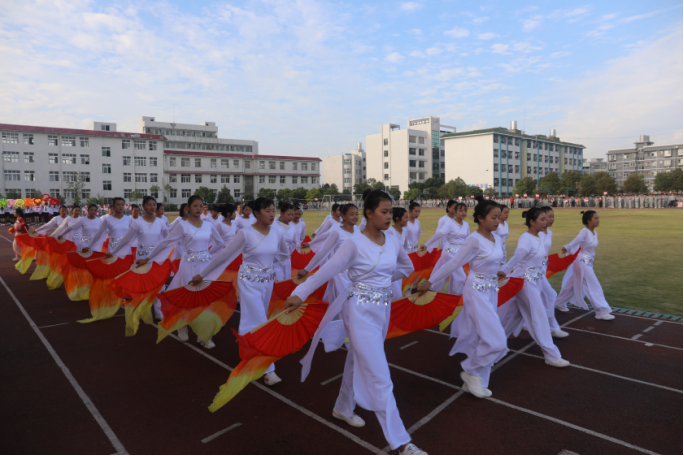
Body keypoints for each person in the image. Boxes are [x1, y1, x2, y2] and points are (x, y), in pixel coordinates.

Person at [284, 190, 426, 456]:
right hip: (358, 310)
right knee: (380, 376)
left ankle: (343, 406)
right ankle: (402, 443)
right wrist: (299, 293)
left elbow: (406, 268)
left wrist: (381, 279)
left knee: (355, 359)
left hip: (382, 310)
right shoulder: (354, 243)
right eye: (383, 211)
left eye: (390, 211)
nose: (389, 216)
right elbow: (327, 271)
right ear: (369, 213)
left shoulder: (392, 241)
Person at [190, 197, 291, 385]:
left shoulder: (277, 233)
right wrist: (202, 274)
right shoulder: (245, 233)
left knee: (254, 318)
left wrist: (268, 266)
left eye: (273, 210)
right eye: (267, 210)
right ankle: (268, 370)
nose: (272, 214)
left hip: (267, 281)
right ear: (256, 213)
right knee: (260, 320)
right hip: (249, 283)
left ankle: (246, 344)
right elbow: (224, 255)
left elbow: (285, 253)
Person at [139, 196, 225, 348]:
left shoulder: (209, 225)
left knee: (205, 299)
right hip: (188, 266)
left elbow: (220, 243)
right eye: (195, 206)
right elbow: (165, 243)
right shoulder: (182, 225)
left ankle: (205, 336)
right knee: (188, 297)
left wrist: (207, 254)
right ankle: (182, 325)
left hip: (205, 266)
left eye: (201, 206)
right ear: (188, 208)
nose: (198, 208)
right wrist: (148, 258)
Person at [497, 208, 570, 368]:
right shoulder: (526, 238)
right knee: (539, 316)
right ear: (532, 221)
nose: (546, 221)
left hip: (535, 281)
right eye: (542, 219)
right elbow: (518, 255)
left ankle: (497, 344)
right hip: (525, 282)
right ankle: (551, 355)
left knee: (514, 314)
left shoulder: (539, 237)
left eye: (546, 219)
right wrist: (505, 270)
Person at [105, 196, 170, 336]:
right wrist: (113, 252)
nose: (152, 207)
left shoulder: (161, 222)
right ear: (143, 207)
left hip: (156, 259)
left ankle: (159, 311)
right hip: (141, 259)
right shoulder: (137, 222)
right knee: (141, 285)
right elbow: (126, 239)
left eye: (154, 204)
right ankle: (140, 308)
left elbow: (168, 239)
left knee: (160, 286)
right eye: (149, 205)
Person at [555, 211, 615, 320]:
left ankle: (558, 303)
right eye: (595, 218)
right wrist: (567, 247)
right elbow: (576, 240)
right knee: (593, 286)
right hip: (582, 264)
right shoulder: (584, 232)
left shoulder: (594, 233)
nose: (598, 220)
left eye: (598, 218)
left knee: (571, 285)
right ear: (588, 221)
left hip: (588, 264)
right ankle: (601, 311)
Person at [423, 201, 470, 295]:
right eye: (461, 210)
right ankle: (455, 295)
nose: (463, 213)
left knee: (454, 276)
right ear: (455, 211)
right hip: (449, 252)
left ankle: (452, 295)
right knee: (460, 277)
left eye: (465, 210)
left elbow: (468, 239)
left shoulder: (466, 224)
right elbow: (439, 234)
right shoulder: (449, 223)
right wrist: (426, 244)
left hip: (459, 253)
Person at [386, 207, 411, 299]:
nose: (407, 220)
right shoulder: (389, 232)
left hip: (400, 267)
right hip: (391, 267)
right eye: (405, 217)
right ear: (397, 218)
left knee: (398, 290)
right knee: (396, 294)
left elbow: (405, 247)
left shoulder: (404, 230)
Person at [272, 203, 298, 281]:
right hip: (274, 259)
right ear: (281, 213)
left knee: (286, 280)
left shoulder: (293, 228)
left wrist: (287, 253)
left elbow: (294, 244)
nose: (291, 217)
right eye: (288, 214)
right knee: (277, 281)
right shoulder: (273, 225)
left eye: (292, 215)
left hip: (286, 259)